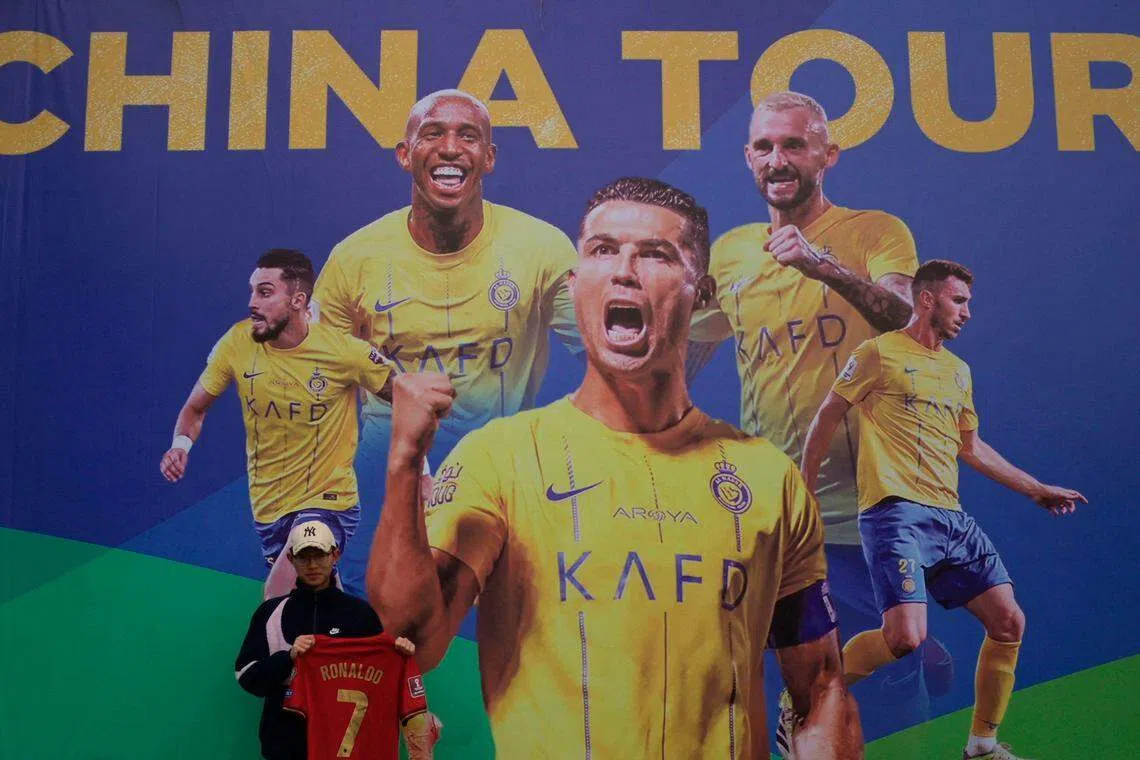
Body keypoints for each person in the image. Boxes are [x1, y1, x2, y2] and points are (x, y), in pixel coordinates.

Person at [368, 177, 863, 758]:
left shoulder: (768, 478)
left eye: (655, 255)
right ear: (577, 284)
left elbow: (822, 685)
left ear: (701, 294)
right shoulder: (498, 458)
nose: (624, 270)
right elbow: (409, 638)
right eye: (603, 250)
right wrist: (404, 465)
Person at [686, 90, 937, 740]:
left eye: (794, 144)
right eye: (765, 146)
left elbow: (903, 316)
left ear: (828, 153)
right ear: (748, 158)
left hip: (869, 511)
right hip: (774, 518)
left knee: (890, 685)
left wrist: (820, 266)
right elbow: (679, 366)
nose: (779, 158)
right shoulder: (733, 253)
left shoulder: (874, 231)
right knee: (785, 693)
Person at [800, 259, 1087, 760]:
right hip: (895, 515)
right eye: (960, 301)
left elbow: (971, 447)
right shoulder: (878, 353)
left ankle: (981, 746)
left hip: (951, 519)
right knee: (906, 639)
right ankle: (806, 700)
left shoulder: (958, 372)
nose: (968, 313)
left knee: (1009, 623)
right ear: (927, 300)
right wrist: (804, 490)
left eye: (969, 303)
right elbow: (827, 417)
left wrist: (1035, 487)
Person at [313, 89, 581, 589]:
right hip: (386, 482)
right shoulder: (355, 258)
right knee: (382, 635)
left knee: (498, 640)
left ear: (489, 158)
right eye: (433, 133)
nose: (451, 147)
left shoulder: (541, 247)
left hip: (505, 481)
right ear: (404, 154)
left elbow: (606, 350)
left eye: (468, 136)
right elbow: (318, 378)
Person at [160, 249, 393, 597]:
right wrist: (180, 446)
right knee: (316, 603)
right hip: (269, 507)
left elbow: (409, 400)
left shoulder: (343, 352)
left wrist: (419, 468)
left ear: (298, 300)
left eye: (265, 292)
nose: (252, 302)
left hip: (328, 500)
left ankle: (266, 652)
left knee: (279, 597)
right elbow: (195, 409)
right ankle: (350, 643)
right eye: (252, 291)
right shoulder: (237, 344)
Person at [235, 520, 385, 760]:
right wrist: (288, 658)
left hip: (345, 749)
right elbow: (246, 676)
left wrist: (399, 651)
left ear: (334, 555)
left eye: (320, 555)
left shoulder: (361, 615)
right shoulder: (270, 613)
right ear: (291, 559)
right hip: (284, 750)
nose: (312, 565)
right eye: (304, 557)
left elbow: (382, 680)